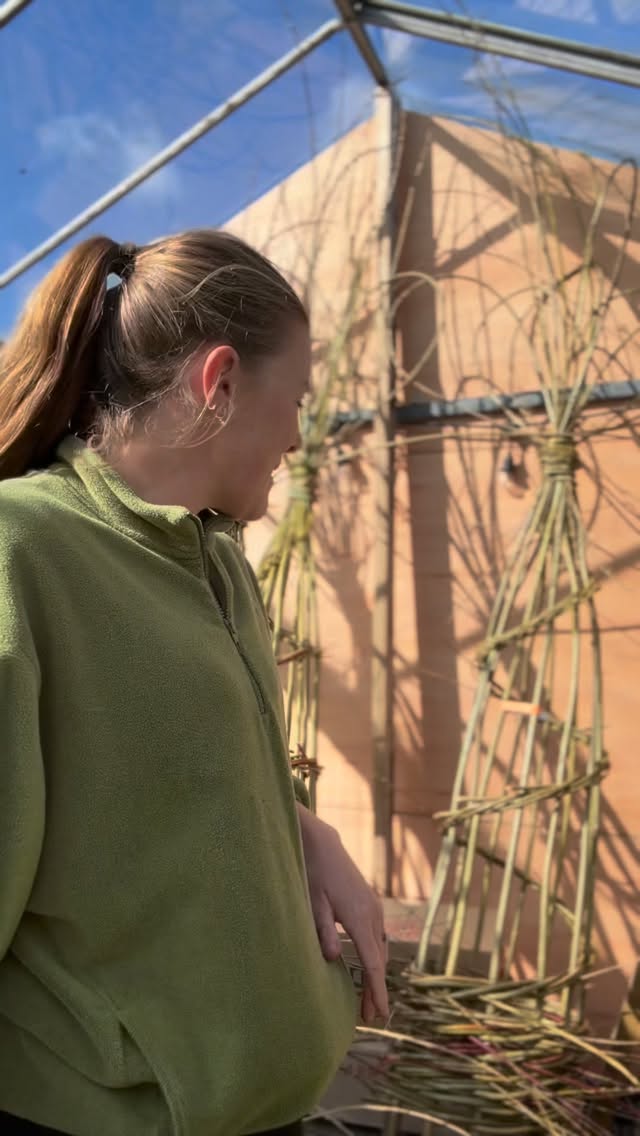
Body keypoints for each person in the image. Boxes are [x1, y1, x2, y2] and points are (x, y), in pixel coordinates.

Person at [0, 232, 388, 1136]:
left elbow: (156, 775)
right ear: (220, 382)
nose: (297, 437)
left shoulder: (218, 560)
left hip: (256, 1106)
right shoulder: (23, 552)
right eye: (296, 401)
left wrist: (302, 826)